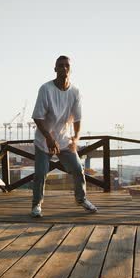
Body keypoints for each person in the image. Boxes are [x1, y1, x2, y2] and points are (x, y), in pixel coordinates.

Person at [30, 55, 98, 218]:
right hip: (44, 140)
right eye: (60, 65)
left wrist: (76, 138)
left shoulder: (75, 92)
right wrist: (48, 138)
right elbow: (37, 117)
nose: (64, 68)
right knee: (40, 173)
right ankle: (36, 204)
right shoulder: (46, 89)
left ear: (70, 69)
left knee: (78, 169)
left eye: (67, 65)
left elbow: (78, 118)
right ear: (55, 69)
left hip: (64, 140)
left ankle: (81, 199)